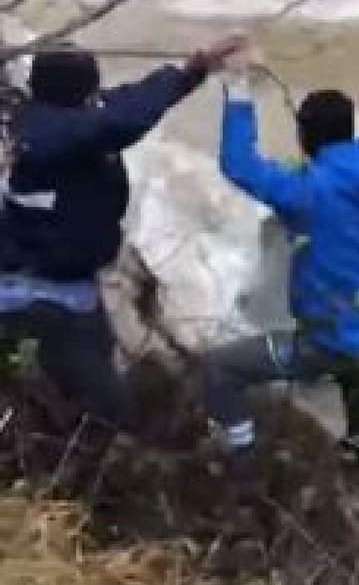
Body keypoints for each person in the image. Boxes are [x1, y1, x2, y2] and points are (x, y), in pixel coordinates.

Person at [0, 37, 242, 428]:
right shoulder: (61, 138)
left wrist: (190, 71)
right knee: (109, 410)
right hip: (56, 296)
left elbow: (120, 104)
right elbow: (119, 120)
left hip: (30, 281)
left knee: (56, 382)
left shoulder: (30, 120)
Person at [204, 46, 359, 458]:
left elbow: (239, 164)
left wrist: (237, 88)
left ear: (304, 136)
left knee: (219, 367)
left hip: (330, 341)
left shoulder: (307, 191)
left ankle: (242, 453)